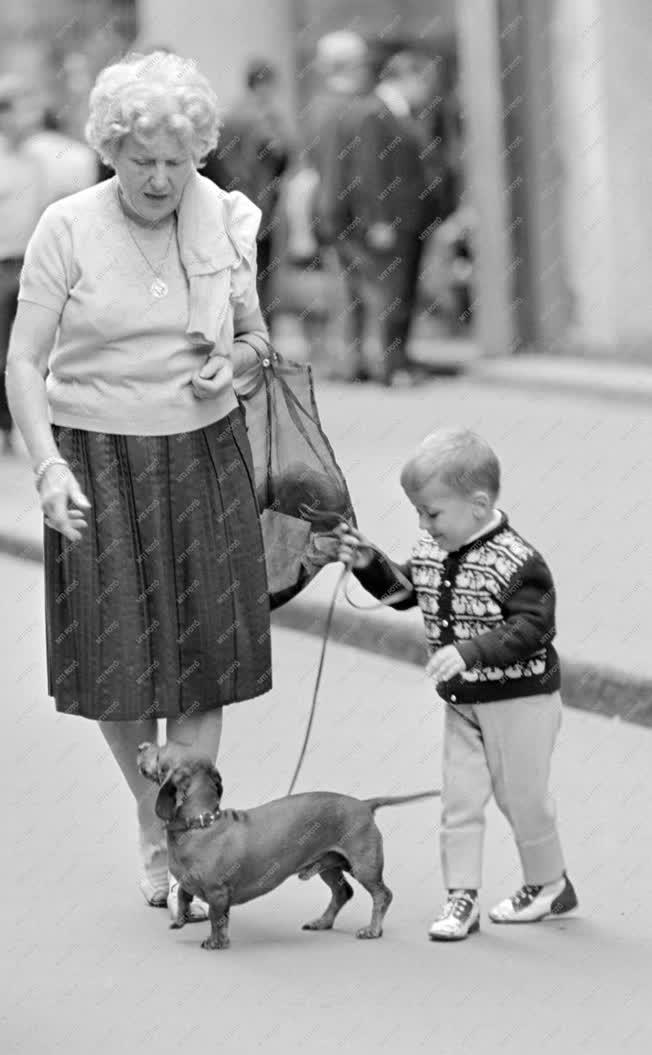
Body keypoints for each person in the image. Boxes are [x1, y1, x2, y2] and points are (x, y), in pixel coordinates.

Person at [5, 51, 272, 922]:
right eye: (140, 159)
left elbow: (257, 343)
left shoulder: (228, 220)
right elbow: (22, 362)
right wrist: (46, 467)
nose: (161, 178)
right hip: (98, 460)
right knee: (121, 666)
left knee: (200, 661)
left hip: (202, 455)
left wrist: (231, 362)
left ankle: (189, 824)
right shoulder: (66, 226)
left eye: (179, 159)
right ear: (109, 149)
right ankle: (149, 817)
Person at [329, 427, 578, 940]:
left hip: (522, 700)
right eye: (418, 512)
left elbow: (533, 629)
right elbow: (406, 593)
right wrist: (369, 565)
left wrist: (468, 652)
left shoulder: (517, 562)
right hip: (464, 705)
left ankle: (550, 883)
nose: (423, 524)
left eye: (432, 513)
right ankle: (460, 896)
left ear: (479, 505)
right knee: (459, 802)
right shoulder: (432, 549)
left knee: (522, 800)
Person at [333, 51, 441, 386]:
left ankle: (401, 360)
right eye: (424, 82)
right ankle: (392, 366)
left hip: (409, 220)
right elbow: (370, 172)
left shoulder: (400, 114)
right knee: (392, 293)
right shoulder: (375, 114)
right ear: (406, 78)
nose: (427, 91)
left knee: (404, 292)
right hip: (391, 221)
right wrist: (378, 220)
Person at [295, 30, 371, 380]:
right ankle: (351, 360)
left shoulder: (318, 108)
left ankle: (346, 359)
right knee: (352, 291)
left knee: (341, 290)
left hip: (328, 212)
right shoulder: (350, 108)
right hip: (348, 214)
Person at [201, 60, 293, 331]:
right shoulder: (264, 118)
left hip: (230, 205)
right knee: (261, 275)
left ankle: (235, 332)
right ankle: (259, 336)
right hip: (260, 205)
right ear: (265, 85)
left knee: (233, 275)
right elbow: (279, 154)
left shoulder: (227, 115)